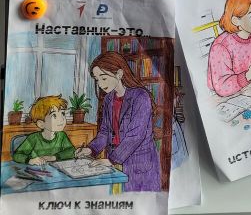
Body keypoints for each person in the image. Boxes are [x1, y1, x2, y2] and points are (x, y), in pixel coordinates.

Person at [75, 52, 161, 192]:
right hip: (114, 163)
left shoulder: (140, 97)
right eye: (97, 80)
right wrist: (90, 149)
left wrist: (111, 160)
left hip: (138, 165)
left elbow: (135, 136)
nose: (100, 84)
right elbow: (104, 132)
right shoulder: (109, 99)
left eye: (103, 78)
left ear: (119, 74)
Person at [12, 95, 76, 165]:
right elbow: (17, 155)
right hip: (37, 170)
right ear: (41, 124)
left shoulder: (62, 135)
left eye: (62, 113)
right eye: (54, 115)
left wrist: (54, 157)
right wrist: (30, 160)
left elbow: (71, 151)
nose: (61, 119)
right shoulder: (33, 138)